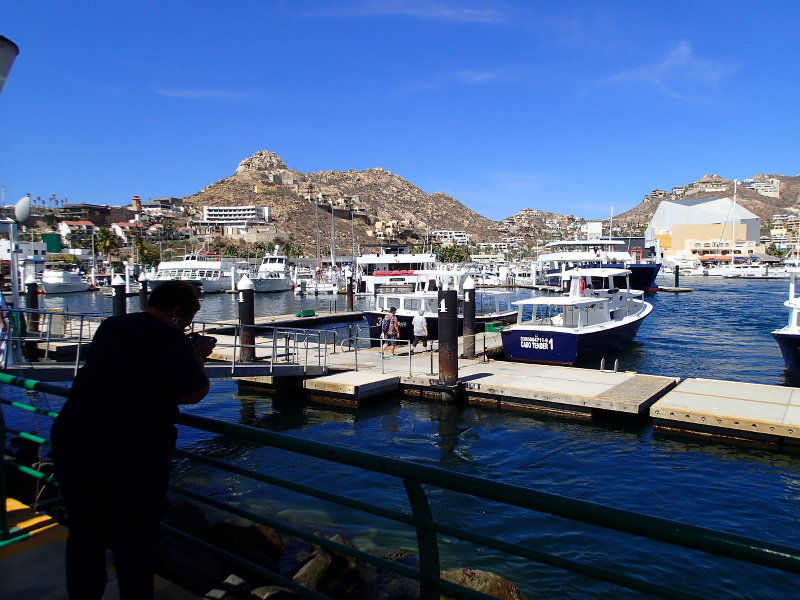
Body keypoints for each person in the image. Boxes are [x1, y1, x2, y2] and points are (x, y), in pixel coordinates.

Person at [51, 280, 215, 600]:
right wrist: (196, 357)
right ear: (177, 311)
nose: (184, 327)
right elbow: (193, 392)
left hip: (75, 438)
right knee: (134, 542)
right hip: (130, 452)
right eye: (185, 321)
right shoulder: (169, 337)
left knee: (86, 535)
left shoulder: (112, 325)